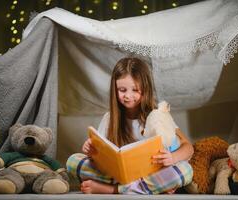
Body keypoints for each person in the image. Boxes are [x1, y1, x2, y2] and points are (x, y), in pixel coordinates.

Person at [66, 57, 194, 194]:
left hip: (152, 172)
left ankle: (113, 190)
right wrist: (92, 151)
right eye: (122, 90)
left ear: (146, 89)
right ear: (115, 89)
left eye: (135, 90)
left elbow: (188, 147)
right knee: (73, 162)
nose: (128, 95)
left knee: (184, 171)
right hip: (120, 175)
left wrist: (173, 158)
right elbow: (101, 158)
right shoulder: (109, 118)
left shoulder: (157, 116)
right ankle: (146, 188)